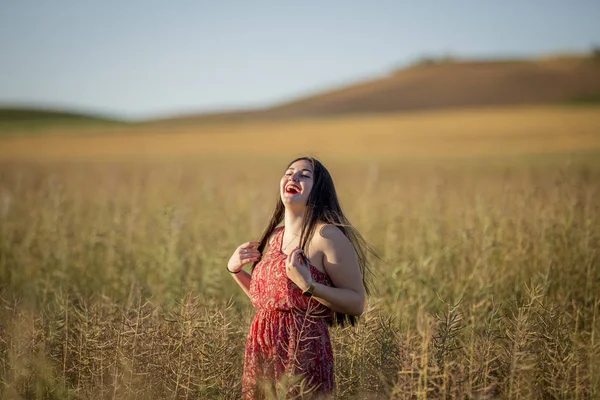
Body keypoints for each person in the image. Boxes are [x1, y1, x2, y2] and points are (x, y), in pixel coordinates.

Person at [227, 156, 375, 399]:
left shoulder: (327, 236)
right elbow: (269, 300)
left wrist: (309, 285)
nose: (293, 177)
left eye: (304, 175)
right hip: (261, 347)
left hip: (303, 349)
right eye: (289, 172)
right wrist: (235, 271)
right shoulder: (275, 235)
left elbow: (356, 303)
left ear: (319, 191)